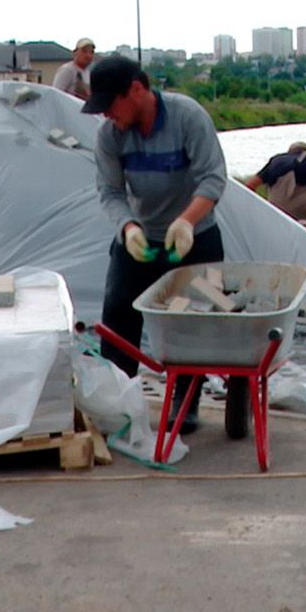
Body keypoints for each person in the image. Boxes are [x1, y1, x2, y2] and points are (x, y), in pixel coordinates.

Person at [86, 55, 228, 432]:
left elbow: (213, 180)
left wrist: (186, 222)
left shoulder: (187, 117)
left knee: (193, 319)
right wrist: (128, 227)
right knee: (118, 313)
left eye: (110, 106)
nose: (106, 116)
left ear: (136, 90)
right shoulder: (110, 136)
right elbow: (110, 191)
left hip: (195, 236)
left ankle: (186, 401)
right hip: (141, 236)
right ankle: (117, 398)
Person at [52, 38, 96, 102]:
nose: (88, 55)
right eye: (84, 51)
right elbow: (56, 93)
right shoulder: (67, 70)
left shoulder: (88, 73)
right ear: (75, 53)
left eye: (91, 52)